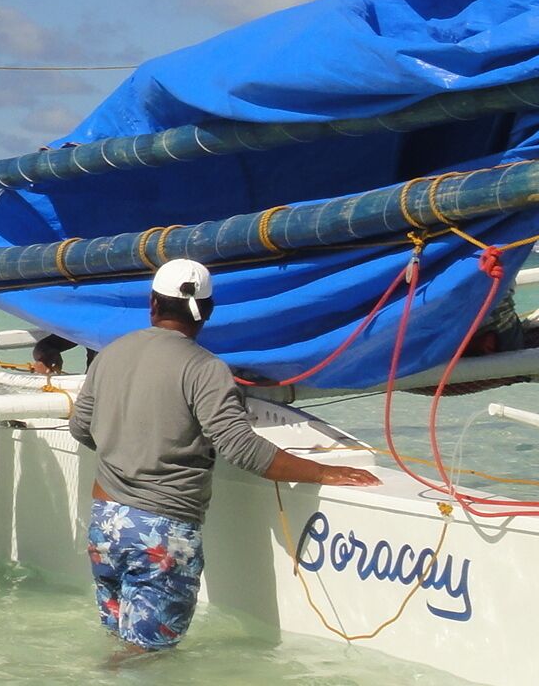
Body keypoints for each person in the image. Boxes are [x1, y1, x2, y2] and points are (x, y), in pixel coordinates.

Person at [69, 259, 380, 657]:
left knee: (121, 644)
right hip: (161, 530)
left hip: (106, 522)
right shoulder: (205, 369)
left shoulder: (110, 355)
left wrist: (130, 444)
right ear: (209, 311)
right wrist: (323, 471)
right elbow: (242, 448)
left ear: (153, 304)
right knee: (147, 657)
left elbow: (81, 428)